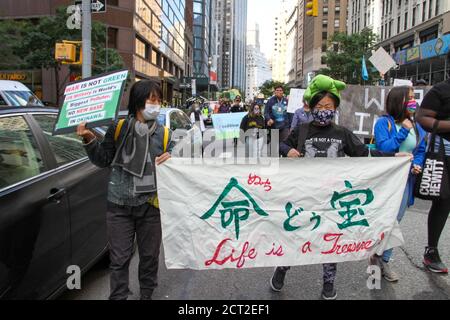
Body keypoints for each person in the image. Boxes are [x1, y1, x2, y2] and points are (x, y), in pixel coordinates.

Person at [273, 75, 410, 300]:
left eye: (328, 106)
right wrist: (286, 150)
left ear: (335, 107)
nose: (324, 110)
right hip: (303, 198)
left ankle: (328, 283)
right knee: (295, 238)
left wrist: (394, 157)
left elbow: (364, 154)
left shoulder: (342, 133)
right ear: (311, 107)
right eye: (319, 106)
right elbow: (282, 143)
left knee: (331, 242)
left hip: (331, 200)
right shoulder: (303, 130)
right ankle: (281, 269)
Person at [76, 80, 173, 300]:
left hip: (151, 206)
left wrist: (172, 158)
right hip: (119, 206)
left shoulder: (165, 135)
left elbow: (180, 166)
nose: (156, 105)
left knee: (149, 257)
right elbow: (103, 159)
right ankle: (118, 297)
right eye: (153, 100)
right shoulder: (118, 128)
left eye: (159, 100)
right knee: (119, 259)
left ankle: (146, 295)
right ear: (139, 101)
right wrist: (89, 139)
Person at [371, 86, 427, 281]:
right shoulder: (383, 123)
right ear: (398, 101)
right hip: (386, 182)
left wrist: (417, 164)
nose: (413, 102)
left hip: (406, 182)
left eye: (414, 98)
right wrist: (403, 130)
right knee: (384, 220)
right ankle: (375, 255)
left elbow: (420, 149)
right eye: (409, 98)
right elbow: (384, 147)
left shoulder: (416, 124)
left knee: (396, 221)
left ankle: (383, 260)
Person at [415, 51, 450, 274]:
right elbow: (422, 118)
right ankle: (432, 251)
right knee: (444, 202)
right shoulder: (440, 91)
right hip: (444, 153)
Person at [264, 85, 291, 149]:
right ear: (274, 92)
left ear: (283, 92)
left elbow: (290, 113)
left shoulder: (287, 101)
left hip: (285, 126)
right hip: (274, 126)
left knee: (284, 144)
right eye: (277, 90)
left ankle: (283, 158)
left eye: (280, 90)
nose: (279, 91)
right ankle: (273, 158)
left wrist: (290, 126)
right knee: (274, 146)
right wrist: (269, 119)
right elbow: (266, 112)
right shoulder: (270, 101)